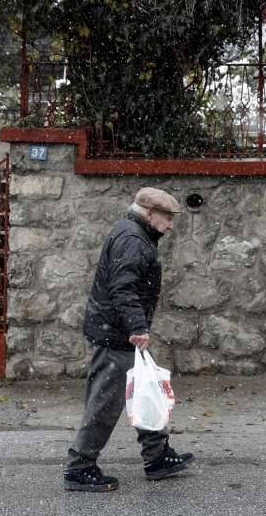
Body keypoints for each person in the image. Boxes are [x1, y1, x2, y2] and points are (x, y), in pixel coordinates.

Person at [62, 187, 195, 492]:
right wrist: (137, 327)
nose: (171, 225)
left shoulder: (135, 233)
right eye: (167, 218)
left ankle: (157, 456)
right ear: (150, 214)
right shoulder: (133, 239)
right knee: (105, 403)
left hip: (122, 331)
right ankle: (79, 467)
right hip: (118, 334)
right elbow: (122, 288)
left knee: (149, 390)